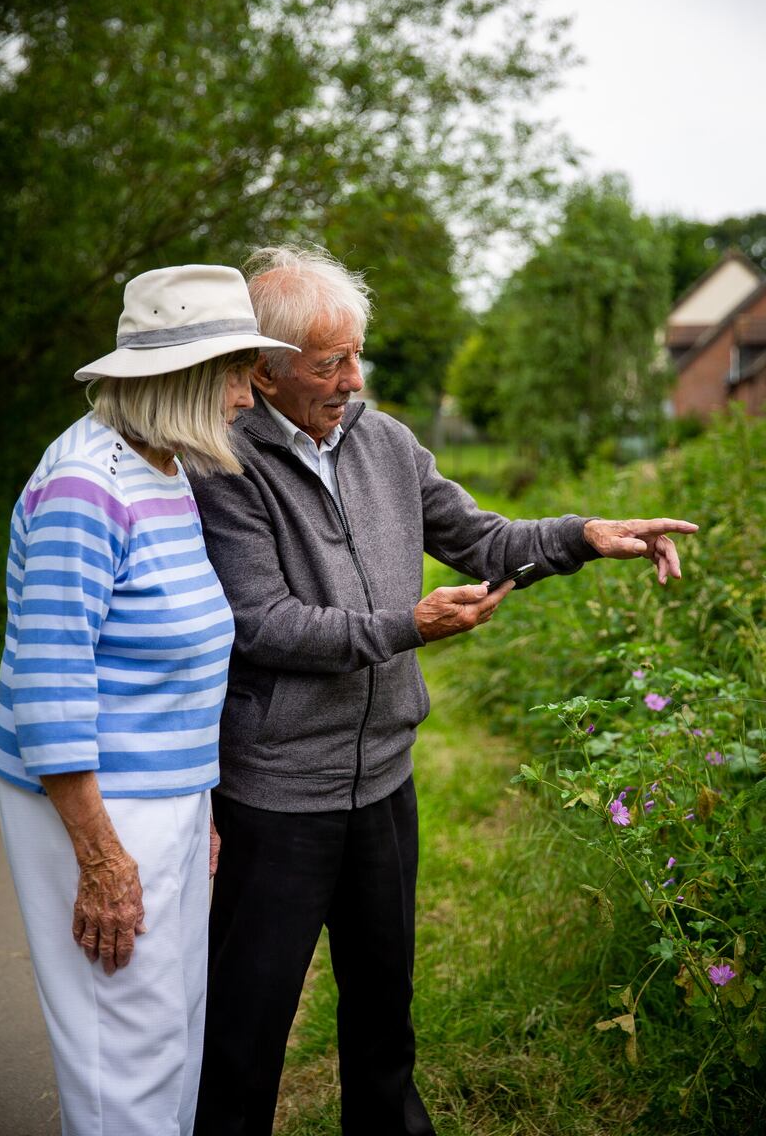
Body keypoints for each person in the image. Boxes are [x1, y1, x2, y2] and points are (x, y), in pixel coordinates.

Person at [189, 245, 699, 1136]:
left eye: (356, 355)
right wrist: (405, 627)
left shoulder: (386, 443)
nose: (351, 379)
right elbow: (262, 623)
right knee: (246, 1025)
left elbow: (484, 539)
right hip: (277, 794)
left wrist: (586, 533)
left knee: (385, 1015)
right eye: (327, 363)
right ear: (263, 373)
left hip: (386, 782)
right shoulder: (222, 464)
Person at [0, 264, 297, 1136]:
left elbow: (173, 660)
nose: (248, 396)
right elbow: (46, 689)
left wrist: (195, 799)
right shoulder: (82, 488)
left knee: (172, 1035)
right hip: (97, 810)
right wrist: (104, 859)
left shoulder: (162, 469)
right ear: (188, 378)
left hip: (163, 800)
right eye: (238, 373)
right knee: (119, 1058)